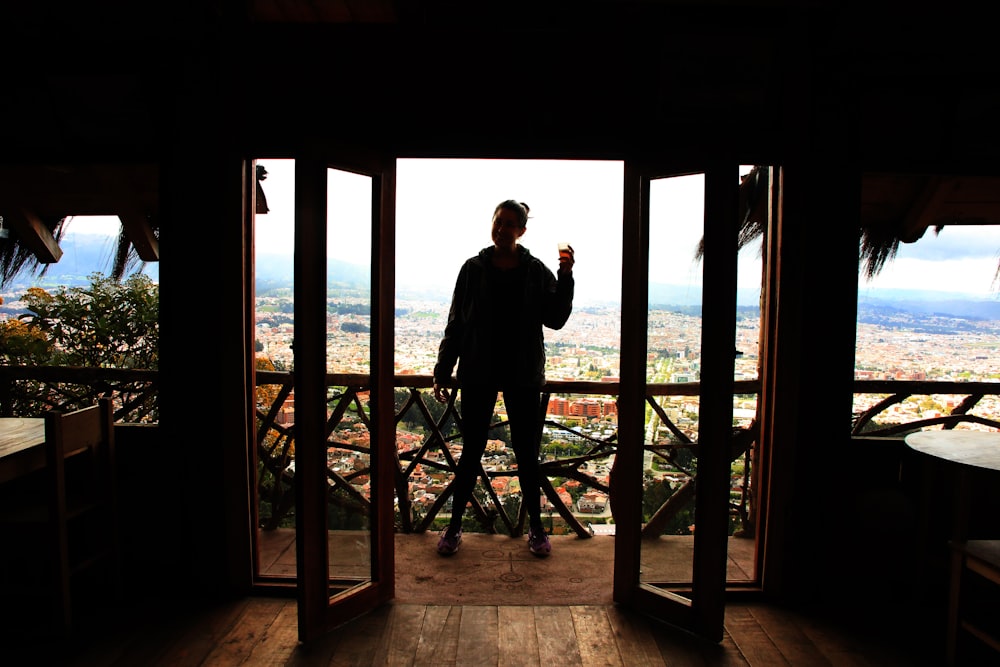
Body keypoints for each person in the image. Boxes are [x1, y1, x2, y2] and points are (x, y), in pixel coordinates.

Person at [432, 200, 575, 557]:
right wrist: (442, 369)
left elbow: (555, 318)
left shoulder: (535, 271)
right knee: (471, 454)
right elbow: (457, 322)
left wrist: (566, 274)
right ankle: (454, 528)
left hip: (522, 373)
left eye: (511, 224)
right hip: (479, 371)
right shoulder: (473, 269)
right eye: (499, 221)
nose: (503, 228)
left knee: (527, 455)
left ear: (522, 231)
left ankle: (538, 531)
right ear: (492, 224)